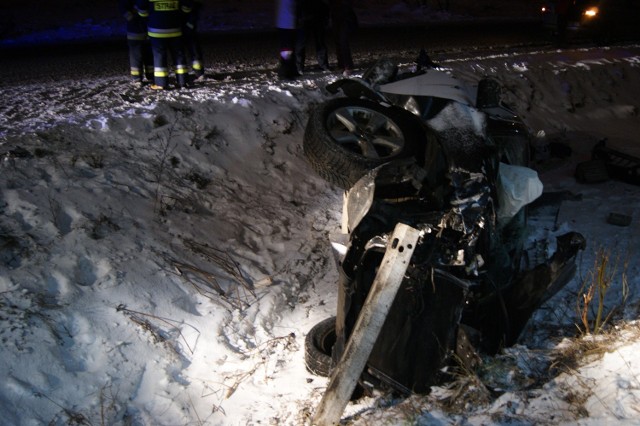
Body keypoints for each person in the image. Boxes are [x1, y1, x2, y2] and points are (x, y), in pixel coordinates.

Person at [136, 0, 193, 89]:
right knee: (179, 56)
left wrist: (150, 17)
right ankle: (183, 81)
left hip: (156, 30)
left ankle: (161, 84)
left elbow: (142, 9)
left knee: (159, 57)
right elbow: (187, 7)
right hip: (175, 29)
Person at [119, 0, 153, 86]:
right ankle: (138, 78)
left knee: (147, 55)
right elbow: (123, 8)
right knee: (137, 55)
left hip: (145, 29)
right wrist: (133, 19)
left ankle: (149, 76)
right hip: (137, 30)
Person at [295, 0, 331, 73]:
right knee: (301, 44)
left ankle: (323, 65)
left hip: (317, 18)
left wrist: (326, 18)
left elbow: (324, 4)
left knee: (320, 43)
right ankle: (299, 67)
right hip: (306, 19)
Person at [330, 0, 357, 76]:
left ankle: (348, 66)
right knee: (338, 42)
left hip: (345, 18)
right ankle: (341, 65)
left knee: (343, 43)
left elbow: (347, 5)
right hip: (336, 17)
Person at [275, 0, 301, 80]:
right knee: (287, 49)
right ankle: (286, 71)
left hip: (284, 22)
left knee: (287, 48)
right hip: (288, 23)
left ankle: (289, 70)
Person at [183, 0, 205, 82]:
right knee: (193, 51)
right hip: (186, 28)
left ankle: (183, 76)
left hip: (185, 28)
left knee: (181, 53)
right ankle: (199, 73)